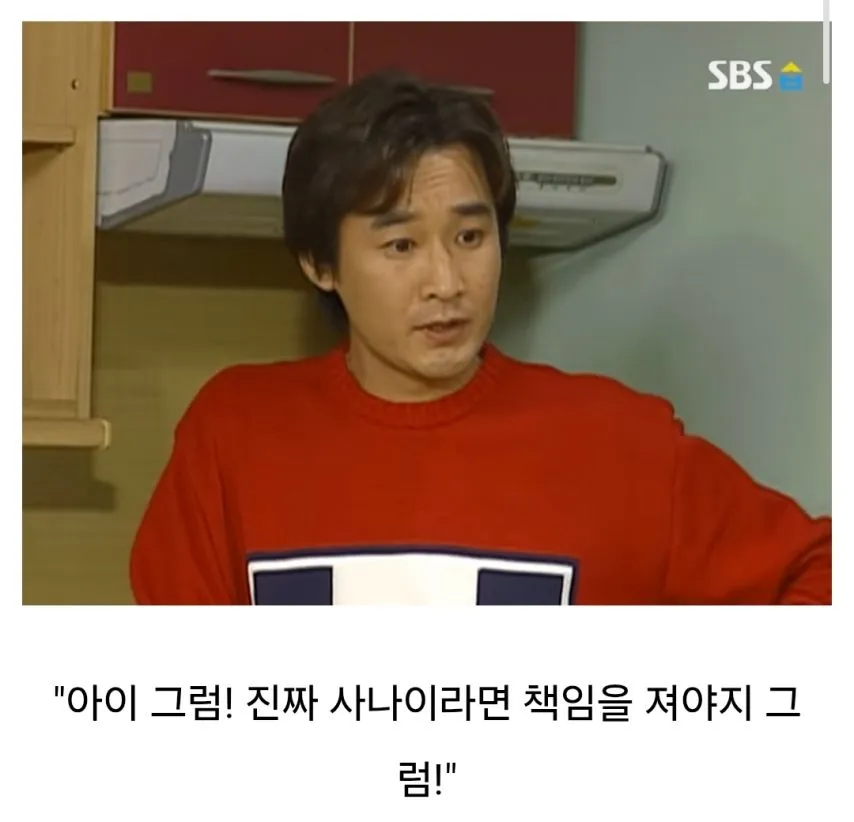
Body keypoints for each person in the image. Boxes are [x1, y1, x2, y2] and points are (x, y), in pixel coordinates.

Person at [129, 70, 831, 606]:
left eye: (469, 236)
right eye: (401, 245)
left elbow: (821, 573)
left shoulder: (620, 440)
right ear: (320, 264)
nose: (446, 282)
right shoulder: (234, 434)